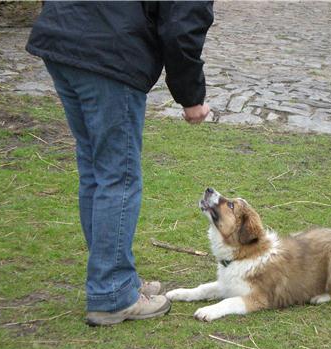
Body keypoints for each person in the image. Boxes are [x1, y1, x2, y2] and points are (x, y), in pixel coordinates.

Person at [26, 1, 213, 326]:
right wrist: (191, 96)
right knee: (117, 177)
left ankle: (117, 279)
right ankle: (112, 292)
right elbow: (182, 28)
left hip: (63, 37)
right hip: (108, 53)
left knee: (95, 171)